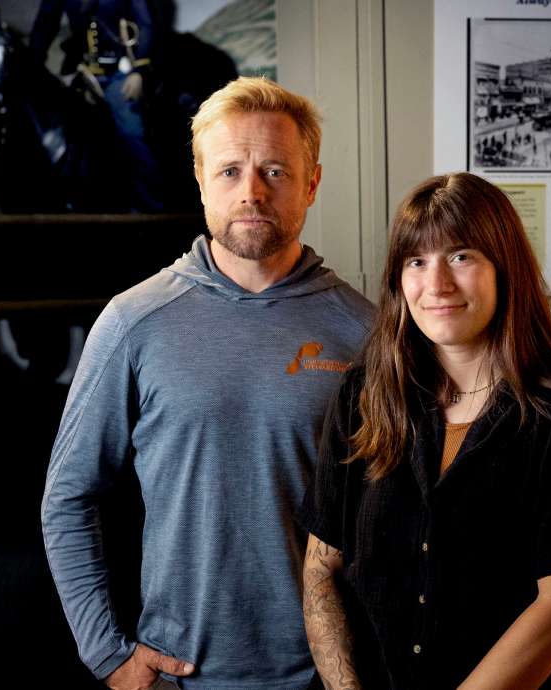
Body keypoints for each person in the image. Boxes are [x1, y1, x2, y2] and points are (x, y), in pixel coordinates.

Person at [42, 77, 375, 690]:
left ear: (312, 183)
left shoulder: (365, 332)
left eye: (274, 170)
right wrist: (107, 655)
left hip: (330, 676)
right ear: (199, 180)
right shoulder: (133, 322)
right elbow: (68, 497)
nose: (251, 191)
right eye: (229, 171)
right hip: (181, 675)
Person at [300, 172, 551, 689]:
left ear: (505, 267)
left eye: (460, 256)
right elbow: (323, 570)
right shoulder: (365, 394)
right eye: (417, 262)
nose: (437, 285)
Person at [30, 0, 164, 211]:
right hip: (81, 70)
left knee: (132, 134)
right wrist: (32, 66)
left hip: (120, 73)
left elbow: (146, 23)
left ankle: (152, 209)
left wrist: (140, 70)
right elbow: (45, 24)